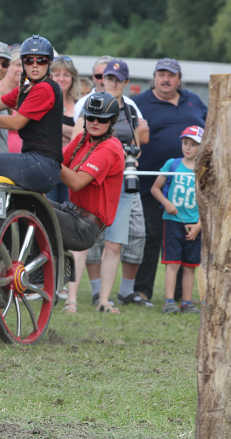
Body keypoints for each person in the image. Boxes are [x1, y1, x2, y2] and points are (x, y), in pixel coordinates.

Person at [132, 58, 207, 304]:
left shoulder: (194, 101)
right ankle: (143, 291)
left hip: (188, 189)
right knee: (151, 237)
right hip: (152, 183)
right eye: (161, 74)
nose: (166, 79)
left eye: (171, 75)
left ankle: (179, 297)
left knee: (185, 239)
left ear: (179, 79)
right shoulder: (140, 103)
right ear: (154, 77)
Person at [76, 61, 149, 309]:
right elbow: (78, 142)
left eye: (118, 79)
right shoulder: (91, 102)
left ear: (126, 83)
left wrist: (130, 156)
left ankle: (104, 300)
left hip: (121, 180)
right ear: (102, 79)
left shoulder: (130, 109)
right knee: (82, 239)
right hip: (91, 179)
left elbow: (138, 144)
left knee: (115, 242)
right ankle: (72, 300)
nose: (113, 83)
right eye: (109, 77)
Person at [52, 92, 125, 314]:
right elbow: (58, 163)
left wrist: (46, 156)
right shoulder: (83, 139)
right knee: (28, 202)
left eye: (101, 119)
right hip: (72, 211)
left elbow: (75, 182)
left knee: (36, 209)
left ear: (111, 122)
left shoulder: (110, 148)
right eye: (90, 117)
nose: (94, 123)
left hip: (86, 226)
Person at [0, 35, 62, 193]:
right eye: (29, 60)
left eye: (41, 60)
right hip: (38, 165)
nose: (35, 65)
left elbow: (15, 123)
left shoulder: (44, 87)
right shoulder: (26, 88)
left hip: (39, 165)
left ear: (50, 63)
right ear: (24, 63)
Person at [150, 126, 203, 314]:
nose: (187, 148)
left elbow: (209, 202)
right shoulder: (172, 164)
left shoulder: (204, 170)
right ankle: (169, 301)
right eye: (185, 143)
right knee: (173, 263)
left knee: (190, 265)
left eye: (193, 144)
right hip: (172, 222)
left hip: (194, 224)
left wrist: (199, 225)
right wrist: (166, 203)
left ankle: (187, 303)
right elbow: (155, 188)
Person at [46, 55, 80, 203]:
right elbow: (45, 133)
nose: (61, 78)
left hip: (72, 168)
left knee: (70, 213)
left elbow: (83, 137)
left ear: (73, 78)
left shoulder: (80, 104)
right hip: (49, 165)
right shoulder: (44, 101)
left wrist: (61, 129)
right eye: (57, 74)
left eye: (66, 74)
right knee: (50, 211)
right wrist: (72, 132)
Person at [73, 56, 112, 120]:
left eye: (108, 77)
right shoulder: (82, 104)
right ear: (93, 77)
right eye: (99, 76)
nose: (103, 81)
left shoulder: (129, 105)